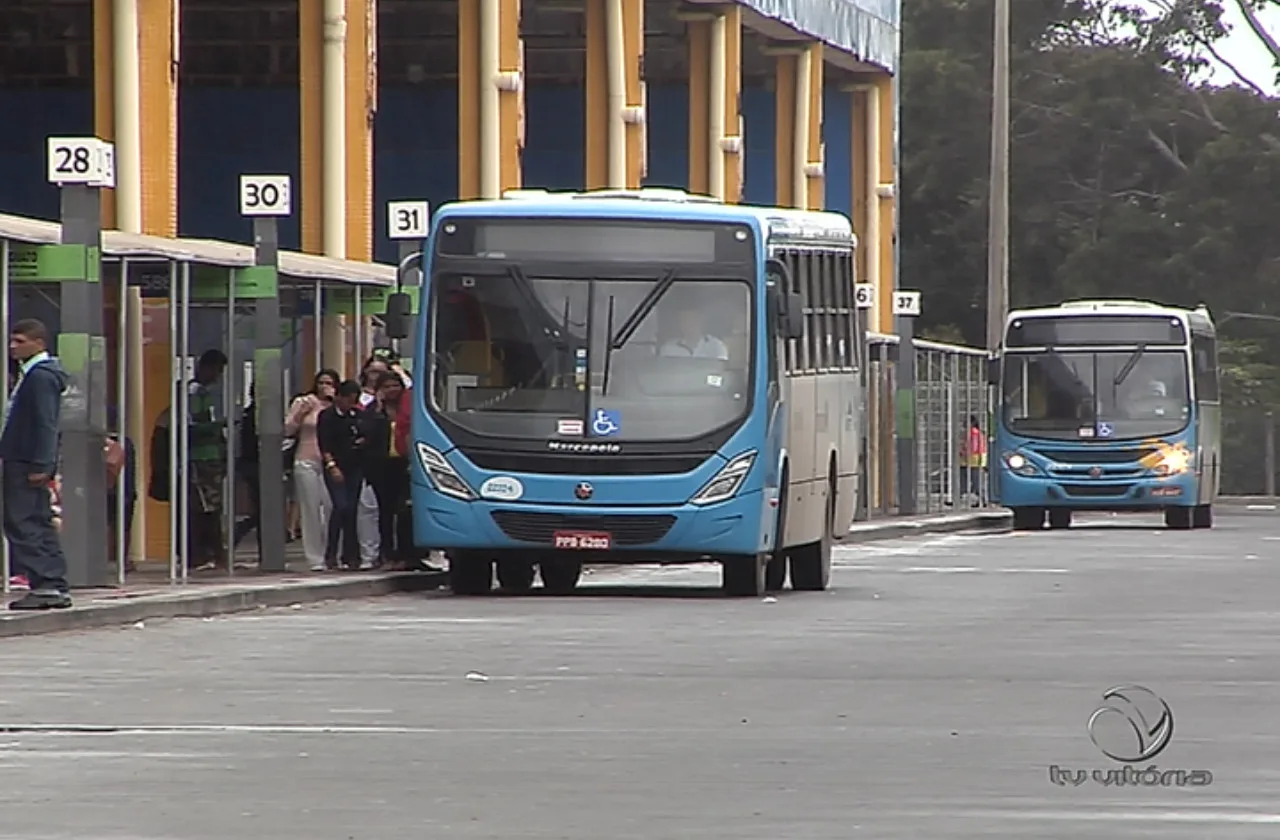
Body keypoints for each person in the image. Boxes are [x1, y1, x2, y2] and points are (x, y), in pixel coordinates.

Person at [1, 319, 71, 610]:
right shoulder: (31, 375)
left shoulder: (40, 377)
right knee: (36, 519)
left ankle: (46, 582)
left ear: (38, 343)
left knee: (24, 521)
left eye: (20, 341)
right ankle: (51, 582)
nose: (13, 347)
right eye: (12, 341)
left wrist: (42, 463)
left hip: (26, 461)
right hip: (24, 459)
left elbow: (45, 423)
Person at [284, 369, 339, 571]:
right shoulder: (304, 402)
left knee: (331, 506)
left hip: (330, 462)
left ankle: (331, 551)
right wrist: (300, 414)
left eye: (329, 383)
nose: (325, 387)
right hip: (306, 459)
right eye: (321, 382)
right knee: (310, 508)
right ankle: (315, 558)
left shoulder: (336, 406)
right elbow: (287, 429)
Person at [317, 379, 371, 570]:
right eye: (348, 399)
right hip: (336, 465)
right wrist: (332, 465)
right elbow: (324, 443)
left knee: (352, 510)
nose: (351, 404)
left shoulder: (356, 415)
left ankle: (351, 554)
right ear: (339, 397)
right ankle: (331, 553)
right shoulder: (327, 416)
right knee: (341, 506)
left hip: (354, 466)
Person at [186, 349, 229, 571]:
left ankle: (213, 551)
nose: (218, 376)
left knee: (213, 506)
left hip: (211, 457)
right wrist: (218, 426)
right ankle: (203, 552)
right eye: (217, 370)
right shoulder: (194, 393)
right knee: (204, 506)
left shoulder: (205, 393)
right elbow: (192, 426)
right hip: (200, 458)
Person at [659, 298, 729, 360]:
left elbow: (719, 371)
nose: (688, 324)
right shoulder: (668, 348)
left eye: (691, 319)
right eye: (684, 320)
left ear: (700, 321)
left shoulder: (716, 346)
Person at [960, 415, 987, 505]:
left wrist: (963, 451)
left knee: (976, 481)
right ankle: (980, 500)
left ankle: (983, 499)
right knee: (970, 480)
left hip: (974, 460)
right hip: (972, 460)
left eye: (966, 422)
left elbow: (973, 447)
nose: (963, 424)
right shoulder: (974, 432)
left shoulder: (973, 433)